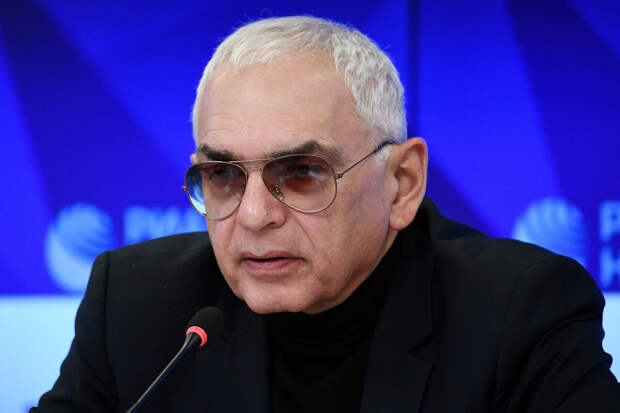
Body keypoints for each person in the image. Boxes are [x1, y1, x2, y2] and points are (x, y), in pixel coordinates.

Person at [32, 16, 619, 413]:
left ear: (402, 183)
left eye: (300, 173)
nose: (254, 215)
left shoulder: (521, 312)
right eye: (224, 175)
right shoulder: (134, 302)